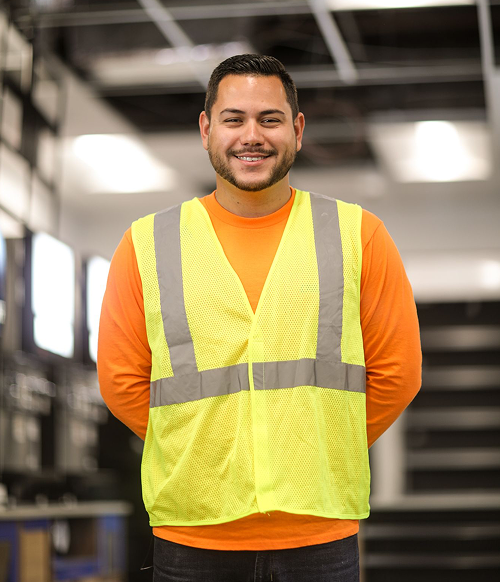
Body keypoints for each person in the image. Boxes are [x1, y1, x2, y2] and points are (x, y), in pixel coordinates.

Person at [98, 54, 421, 582]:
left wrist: (319, 443)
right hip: (192, 532)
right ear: (207, 130)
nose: (253, 135)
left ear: (296, 129)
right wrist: (202, 449)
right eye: (234, 119)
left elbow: (398, 375)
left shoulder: (359, 236)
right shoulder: (145, 245)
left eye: (269, 119)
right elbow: (121, 382)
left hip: (318, 533)